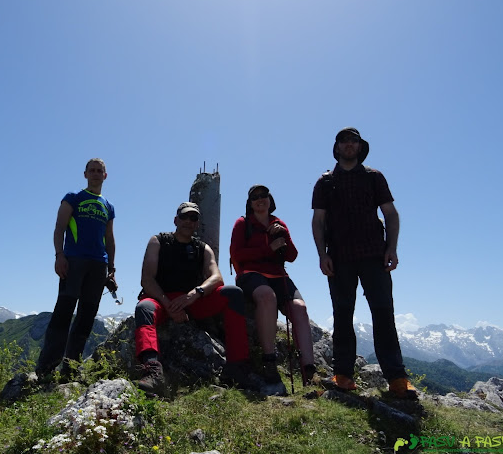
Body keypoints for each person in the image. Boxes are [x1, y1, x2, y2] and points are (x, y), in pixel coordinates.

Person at [311, 127, 416, 398]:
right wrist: (322, 254)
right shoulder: (325, 182)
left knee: (383, 314)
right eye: (344, 141)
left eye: (353, 141)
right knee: (342, 316)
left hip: (374, 255)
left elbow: (390, 214)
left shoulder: (374, 177)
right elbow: (318, 221)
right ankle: (343, 375)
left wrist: (392, 248)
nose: (348, 145)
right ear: (337, 147)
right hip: (339, 258)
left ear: (360, 147)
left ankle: (397, 379)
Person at [134, 202, 256, 395]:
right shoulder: (158, 241)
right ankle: (152, 371)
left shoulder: (202, 248)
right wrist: (169, 305)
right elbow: (147, 279)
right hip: (161, 300)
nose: (189, 222)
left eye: (193, 218)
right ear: (176, 220)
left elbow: (217, 277)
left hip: (193, 301)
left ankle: (236, 366)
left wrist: (194, 294)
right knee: (144, 309)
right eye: (184, 217)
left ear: (197, 224)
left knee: (233, 294)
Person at [36, 158, 116, 382]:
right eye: (92, 170)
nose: (96, 174)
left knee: (86, 318)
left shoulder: (108, 206)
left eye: (100, 171)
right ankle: (46, 368)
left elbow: (110, 239)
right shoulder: (73, 198)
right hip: (74, 261)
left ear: (105, 176)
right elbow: (59, 227)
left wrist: (112, 269)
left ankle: (70, 369)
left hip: (98, 265)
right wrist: (59, 255)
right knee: (63, 313)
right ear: (85, 174)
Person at [230, 185, 316, 386]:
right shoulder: (243, 224)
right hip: (250, 274)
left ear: (270, 200)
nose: (260, 199)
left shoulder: (279, 224)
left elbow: (292, 256)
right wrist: (268, 248)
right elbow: (237, 254)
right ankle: (269, 361)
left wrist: (283, 235)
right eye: (255, 197)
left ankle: (309, 370)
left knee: (299, 308)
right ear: (250, 203)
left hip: (278, 275)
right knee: (267, 296)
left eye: (264, 196)